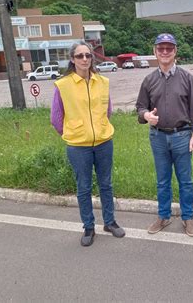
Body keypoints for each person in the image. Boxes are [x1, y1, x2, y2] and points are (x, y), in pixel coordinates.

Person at [51, 41, 125, 247]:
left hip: (103, 142)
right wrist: (72, 133)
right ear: (72, 60)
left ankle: (109, 222)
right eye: (79, 56)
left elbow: (107, 110)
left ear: (92, 58)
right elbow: (56, 118)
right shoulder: (63, 85)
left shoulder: (102, 82)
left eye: (88, 55)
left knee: (106, 184)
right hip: (78, 146)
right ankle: (88, 226)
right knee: (83, 187)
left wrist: (101, 128)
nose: (84, 59)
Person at [136, 33, 193, 237]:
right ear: (155, 52)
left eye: (169, 48)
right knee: (162, 180)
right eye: (161, 48)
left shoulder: (186, 77)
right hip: (158, 138)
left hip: (182, 135)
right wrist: (146, 115)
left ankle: (188, 218)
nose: (165, 52)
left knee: (186, 180)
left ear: (175, 52)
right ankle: (163, 216)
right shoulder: (149, 80)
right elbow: (140, 107)